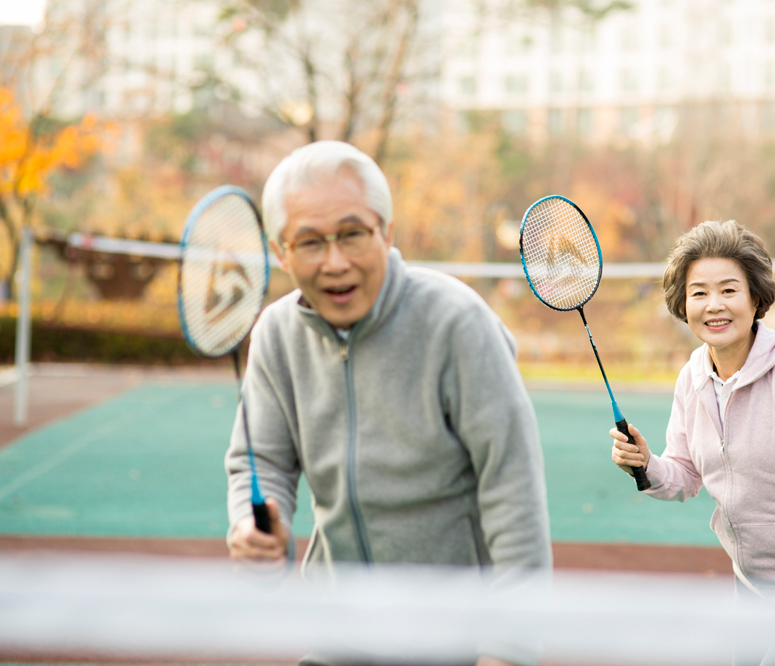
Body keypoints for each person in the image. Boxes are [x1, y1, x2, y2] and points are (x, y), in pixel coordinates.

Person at [225, 140, 551, 665]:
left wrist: (510, 647)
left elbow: (512, 488)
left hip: (459, 636)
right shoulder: (275, 335)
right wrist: (254, 521)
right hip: (339, 629)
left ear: (387, 233)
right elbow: (260, 461)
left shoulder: (457, 322)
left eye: (353, 234)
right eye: (309, 242)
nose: (335, 262)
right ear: (280, 252)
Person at [610, 220, 775, 665]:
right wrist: (645, 463)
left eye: (729, 290)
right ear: (683, 303)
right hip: (752, 585)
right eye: (699, 292)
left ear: (755, 297)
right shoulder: (692, 379)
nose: (714, 305)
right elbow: (685, 475)